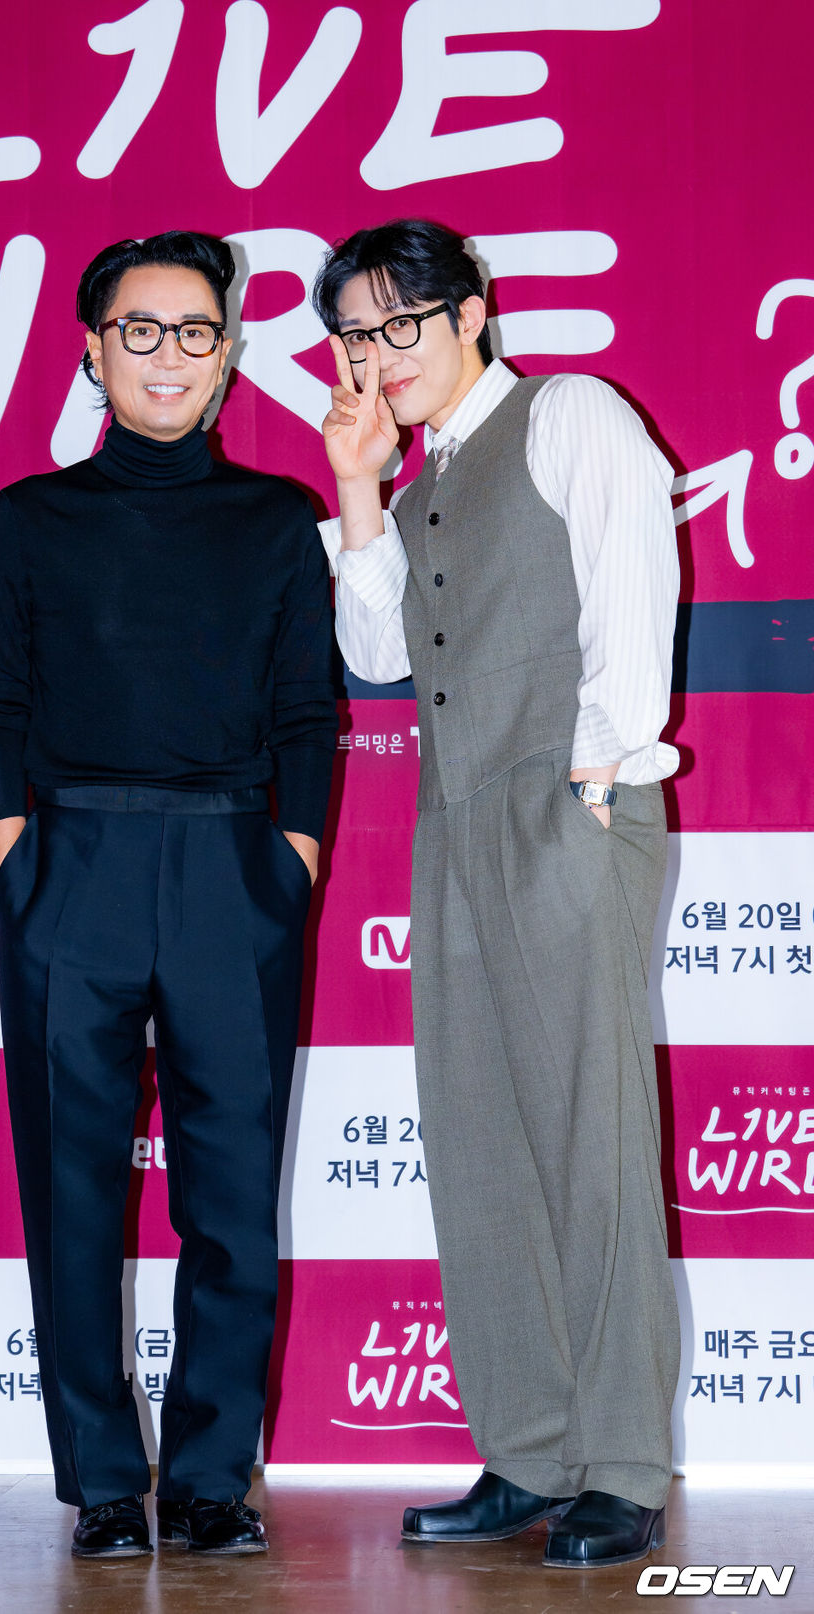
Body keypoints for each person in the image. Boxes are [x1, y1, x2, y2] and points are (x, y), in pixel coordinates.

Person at [312, 218, 681, 1570]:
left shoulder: (568, 412)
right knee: (478, 1141)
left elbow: (633, 580)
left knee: (592, 1138)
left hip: (573, 799)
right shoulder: (418, 482)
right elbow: (374, 653)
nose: (380, 355)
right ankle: (529, 1451)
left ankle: (621, 1462)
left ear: (471, 313)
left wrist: (602, 768)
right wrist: (359, 485)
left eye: (402, 322)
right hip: (456, 823)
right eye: (356, 335)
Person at [0, 230, 336, 1560]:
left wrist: (290, 863)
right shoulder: (29, 518)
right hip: (73, 870)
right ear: (93, 351)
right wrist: (17, 858)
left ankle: (216, 1476)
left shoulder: (277, 518)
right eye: (140, 329)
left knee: (231, 1197)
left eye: (194, 330)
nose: (167, 354)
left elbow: (308, 713)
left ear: (227, 355)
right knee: (70, 1197)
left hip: (235, 869)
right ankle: (105, 1483)